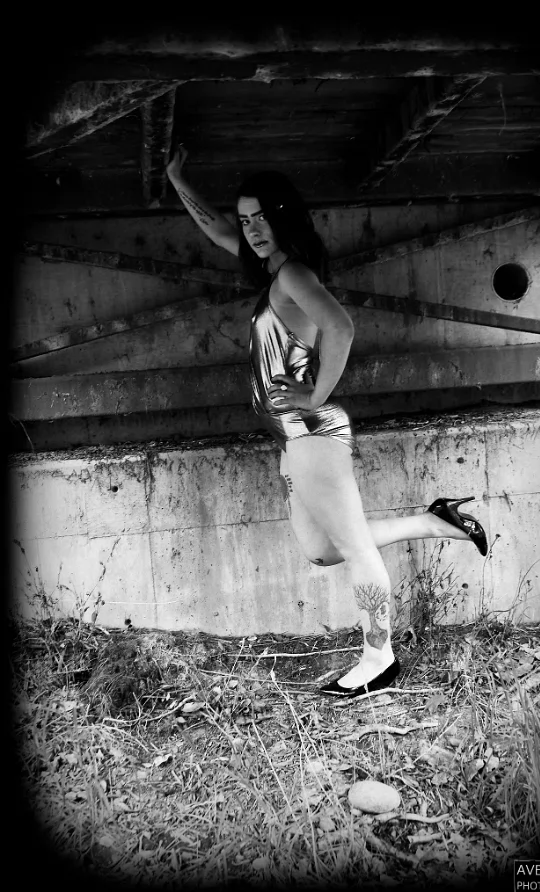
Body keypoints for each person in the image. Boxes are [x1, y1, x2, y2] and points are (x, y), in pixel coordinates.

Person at [166, 146, 488, 699]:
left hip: (311, 430)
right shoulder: (273, 269)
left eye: (261, 218)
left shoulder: (293, 273)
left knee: (355, 550)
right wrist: (177, 178)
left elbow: (341, 328)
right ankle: (438, 523)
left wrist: (316, 394)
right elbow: (218, 230)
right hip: (291, 436)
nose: (251, 230)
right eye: (246, 220)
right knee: (322, 549)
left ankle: (379, 659)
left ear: (283, 216)